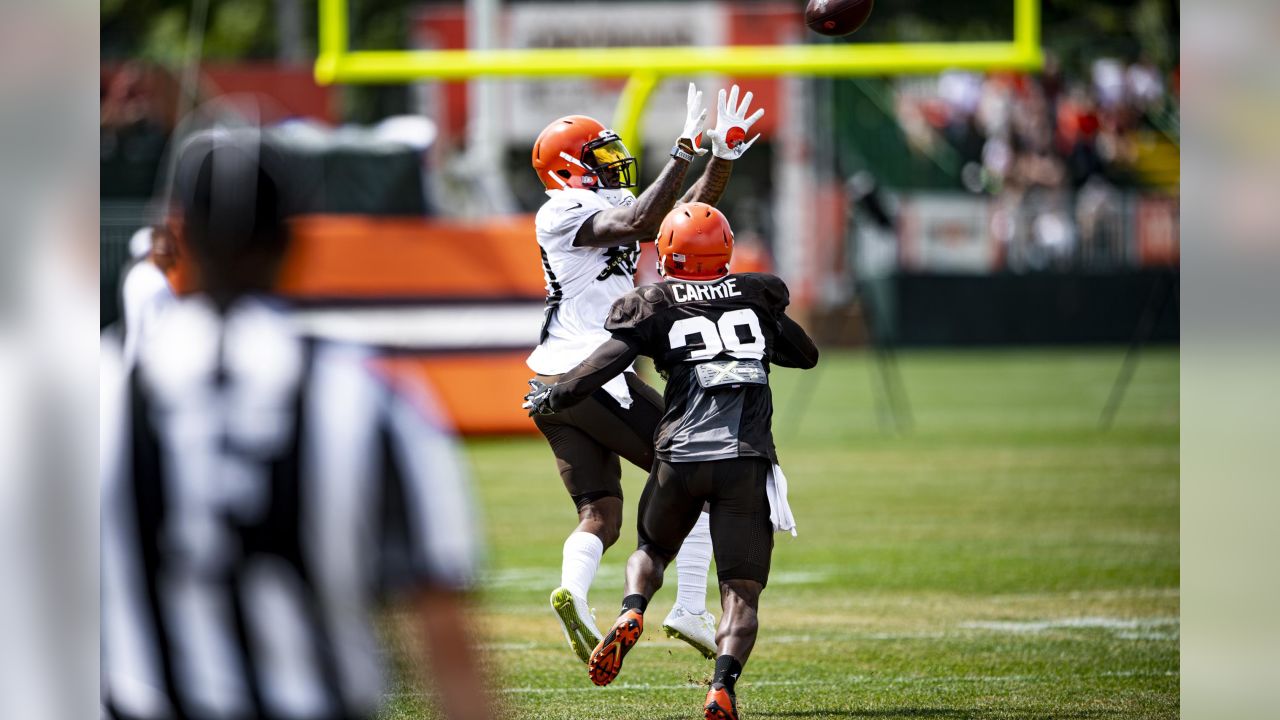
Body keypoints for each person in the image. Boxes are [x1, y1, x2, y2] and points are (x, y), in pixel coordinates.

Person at [100, 131, 492, 720]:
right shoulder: (368, 393)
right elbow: (447, 645)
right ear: (293, 242)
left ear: (184, 238)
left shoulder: (96, 391)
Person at [524, 203, 818, 720]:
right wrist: (760, 327)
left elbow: (607, 362)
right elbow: (805, 354)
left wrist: (557, 396)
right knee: (741, 592)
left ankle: (633, 611)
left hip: (678, 455)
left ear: (666, 254)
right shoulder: (757, 294)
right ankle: (720, 687)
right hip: (745, 460)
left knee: (651, 550)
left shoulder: (653, 301)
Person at [527, 84, 766, 664]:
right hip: (589, 373)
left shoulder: (602, 203)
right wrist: (684, 148)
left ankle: (575, 596)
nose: (613, 163)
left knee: (601, 514)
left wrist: (721, 160)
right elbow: (642, 220)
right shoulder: (561, 210)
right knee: (704, 474)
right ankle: (687, 606)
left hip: (550, 385)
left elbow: (678, 219)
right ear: (566, 171)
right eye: (599, 158)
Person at [120, 225, 178, 365]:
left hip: (136, 357)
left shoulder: (135, 274)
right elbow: (157, 332)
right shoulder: (154, 281)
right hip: (150, 363)